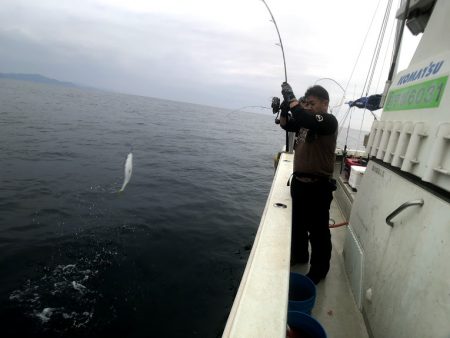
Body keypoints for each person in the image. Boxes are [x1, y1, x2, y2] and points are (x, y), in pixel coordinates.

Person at [279, 82, 338, 284]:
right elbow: (286, 124)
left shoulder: (329, 121)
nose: (310, 107)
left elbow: (305, 117)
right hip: (299, 183)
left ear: (325, 103)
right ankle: (299, 255)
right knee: (297, 225)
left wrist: (291, 97)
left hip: (318, 186)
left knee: (318, 231)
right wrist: (285, 109)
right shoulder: (305, 122)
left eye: (312, 103)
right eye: (307, 103)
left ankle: (319, 271)